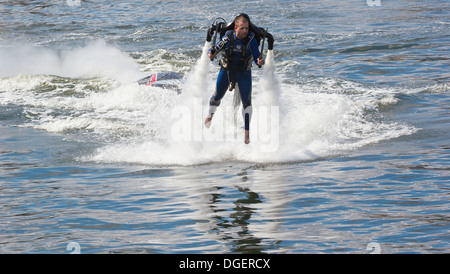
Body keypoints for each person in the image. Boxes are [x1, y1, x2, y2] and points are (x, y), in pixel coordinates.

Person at [205, 14, 265, 144]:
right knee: (216, 97)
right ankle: (210, 115)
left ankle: (246, 132)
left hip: (244, 73)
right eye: (242, 28)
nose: (245, 31)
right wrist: (211, 52)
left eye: (247, 28)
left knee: (247, 103)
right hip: (226, 71)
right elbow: (215, 48)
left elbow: (256, 57)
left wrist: (260, 61)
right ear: (236, 28)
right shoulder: (227, 37)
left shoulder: (251, 40)